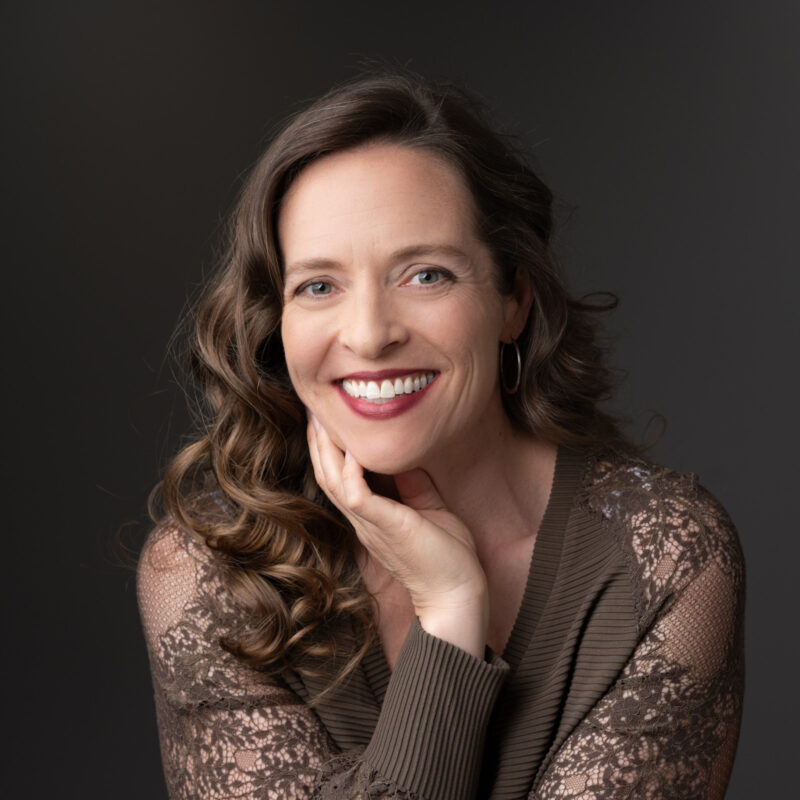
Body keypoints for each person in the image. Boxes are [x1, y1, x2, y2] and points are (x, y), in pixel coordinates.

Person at [137, 72, 744, 800]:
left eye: (425, 275)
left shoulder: (664, 558)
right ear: (276, 320)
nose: (368, 334)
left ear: (513, 300)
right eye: (318, 286)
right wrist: (452, 614)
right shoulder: (206, 573)